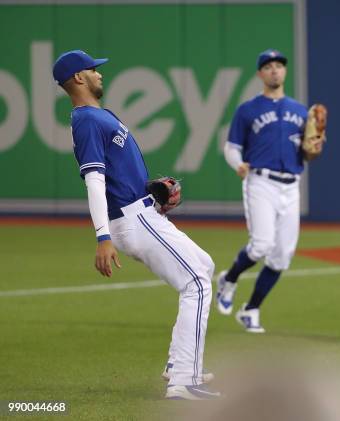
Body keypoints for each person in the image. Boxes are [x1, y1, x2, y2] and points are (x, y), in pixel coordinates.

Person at [53, 50, 219, 400]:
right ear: (78, 78)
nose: (100, 74)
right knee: (197, 284)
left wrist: (152, 195)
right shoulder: (85, 120)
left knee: (204, 265)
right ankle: (183, 382)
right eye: (93, 69)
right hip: (132, 219)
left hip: (144, 212)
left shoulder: (97, 116)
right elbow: (95, 182)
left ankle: (179, 365)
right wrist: (102, 237)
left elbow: (115, 173)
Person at [216, 49, 323, 333]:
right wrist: (238, 164)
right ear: (260, 74)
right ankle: (229, 279)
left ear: (284, 72)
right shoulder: (248, 109)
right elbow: (231, 147)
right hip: (260, 181)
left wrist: (314, 148)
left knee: (281, 256)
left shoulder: (301, 111)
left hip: (291, 185)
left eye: (279, 65)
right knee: (261, 244)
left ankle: (250, 310)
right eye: (268, 66)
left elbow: (307, 154)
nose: (275, 70)